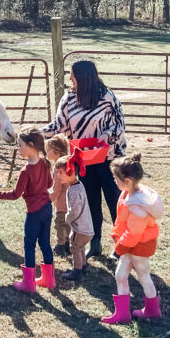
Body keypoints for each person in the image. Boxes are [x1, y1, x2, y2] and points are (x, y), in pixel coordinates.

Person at [43, 59, 126, 258]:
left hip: (109, 158)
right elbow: (59, 126)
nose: (70, 78)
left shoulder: (107, 98)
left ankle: (121, 245)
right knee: (90, 202)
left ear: (83, 77)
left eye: (72, 74)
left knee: (115, 201)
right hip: (83, 159)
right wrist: (37, 134)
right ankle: (95, 243)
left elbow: (119, 126)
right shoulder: (69, 99)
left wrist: (106, 137)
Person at [0, 128, 55, 293]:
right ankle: (49, 279)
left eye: (20, 145)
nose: (18, 148)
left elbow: (15, 195)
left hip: (34, 213)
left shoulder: (25, 171)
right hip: (47, 209)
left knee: (29, 245)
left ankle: (29, 284)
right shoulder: (45, 163)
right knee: (45, 243)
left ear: (30, 145)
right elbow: (49, 184)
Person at [101, 153, 164, 325]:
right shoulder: (128, 194)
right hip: (132, 244)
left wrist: (119, 247)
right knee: (123, 275)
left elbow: (134, 232)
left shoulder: (137, 205)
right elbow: (123, 222)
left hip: (137, 245)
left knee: (141, 275)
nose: (114, 181)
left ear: (127, 180)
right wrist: (118, 236)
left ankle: (149, 310)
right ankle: (129, 313)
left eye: (116, 178)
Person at [53, 152, 93, 282]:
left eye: (60, 172)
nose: (57, 176)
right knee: (80, 247)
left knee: (75, 247)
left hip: (81, 229)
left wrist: (67, 219)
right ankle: (83, 266)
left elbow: (74, 210)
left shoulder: (74, 190)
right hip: (87, 227)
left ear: (70, 172)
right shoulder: (78, 186)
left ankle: (77, 271)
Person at [45, 135, 70, 257]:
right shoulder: (68, 163)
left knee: (60, 223)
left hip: (62, 201)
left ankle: (60, 245)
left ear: (56, 152)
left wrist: (49, 198)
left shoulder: (57, 167)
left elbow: (57, 187)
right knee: (68, 223)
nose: (46, 153)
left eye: (48, 150)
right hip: (71, 201)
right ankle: (67, 244)